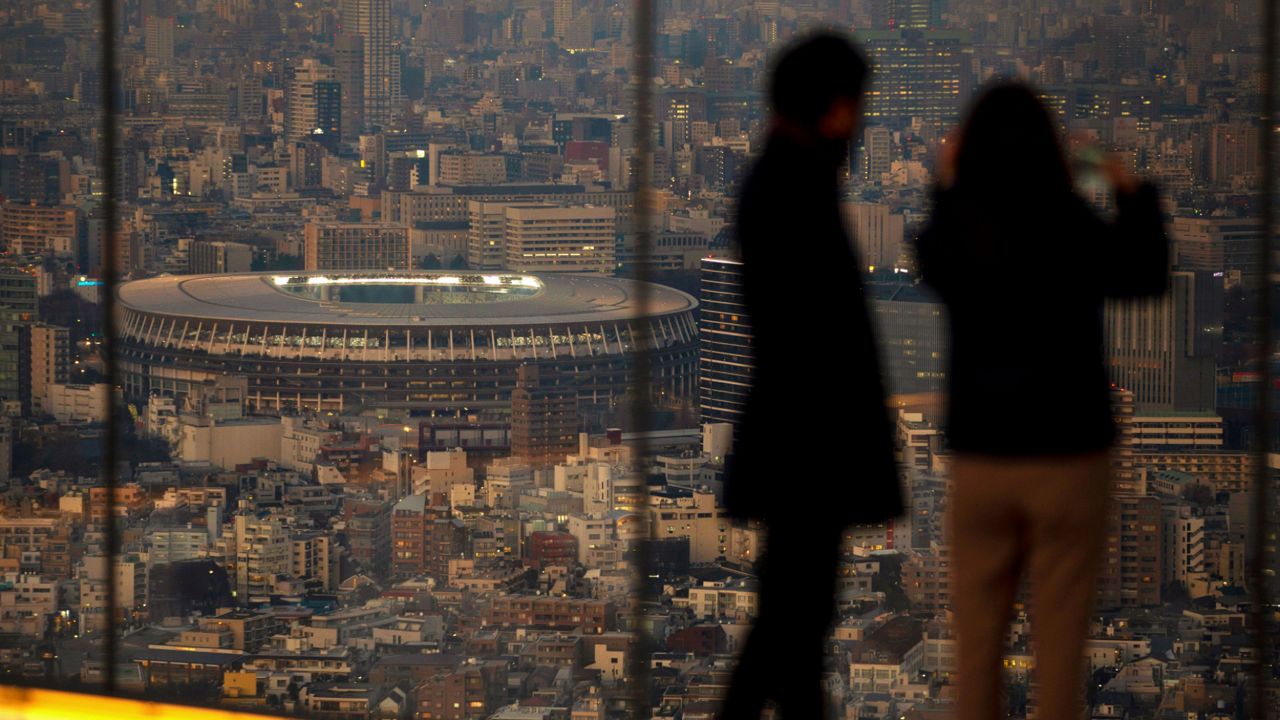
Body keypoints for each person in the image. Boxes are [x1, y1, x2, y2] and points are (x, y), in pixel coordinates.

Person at [914, 82, 1168, 720]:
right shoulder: (1072, 224)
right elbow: (1145, 272)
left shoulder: (965, 228)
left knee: (976, 656)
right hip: (1070, 454)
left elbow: (930, 252)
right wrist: (1126, 184)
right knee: (1060, 653)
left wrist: (948, 179)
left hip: (983, 457)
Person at [721, 32, 903, 720]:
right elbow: (817, 338)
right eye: (854, 105)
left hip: (798, 442)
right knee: (792, 626)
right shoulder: (793, 187)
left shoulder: (784, 179)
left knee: (791, 629)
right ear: (833, 109)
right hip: (809, 447)